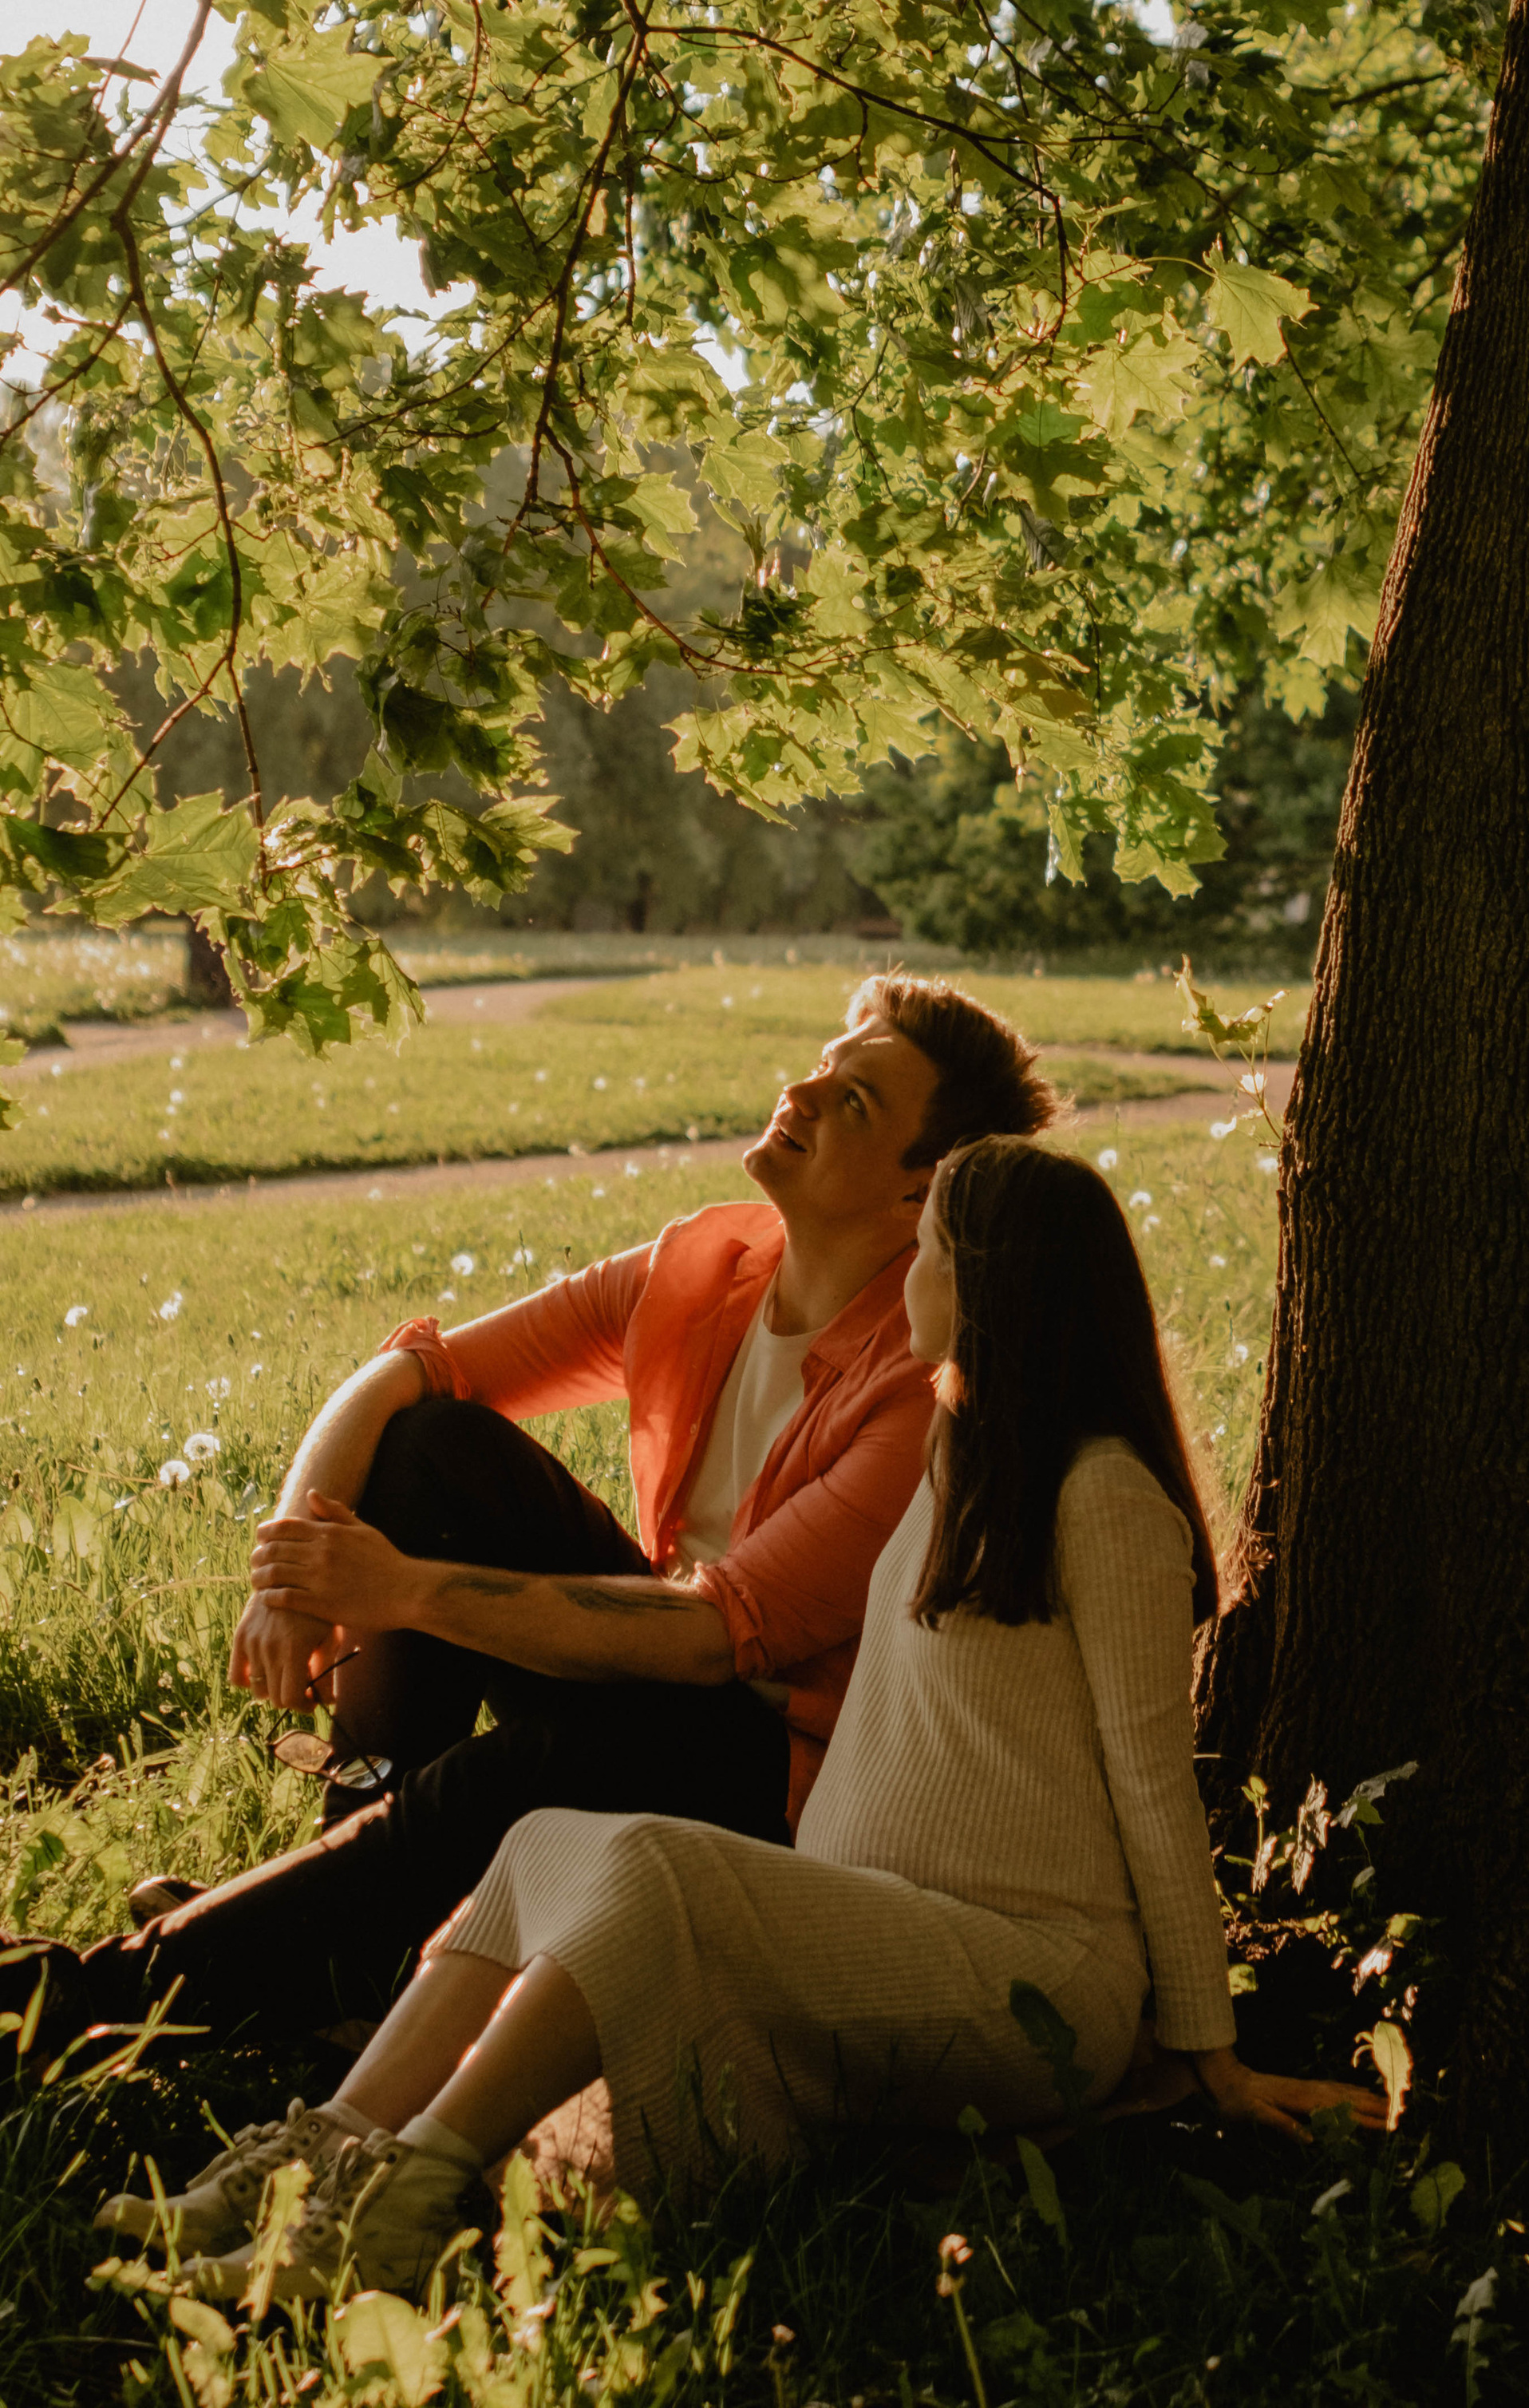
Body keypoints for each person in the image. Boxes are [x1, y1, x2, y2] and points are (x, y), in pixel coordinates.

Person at [107, 1137, 1386, 2303]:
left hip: (1037, 1972)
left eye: (930, 1250)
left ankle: (406, 2198)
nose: (908, 1275)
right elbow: (891, 1729)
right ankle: (313, 2161)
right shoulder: (955, 1461)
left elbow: (1159, 1791)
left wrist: (1205, 2051)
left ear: (993, 1283)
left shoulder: (1104, 1498)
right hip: (891, 1923)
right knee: (549, 1840)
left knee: (658, 1861)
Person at [17, 975, 1057, 2074]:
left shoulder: (916, 1387)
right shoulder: (707, 1269)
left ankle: (82, 2000)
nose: (802, 1091)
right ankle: (337, 1912)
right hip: (651, 1674)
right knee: (434, 1447)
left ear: (921, 1193)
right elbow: (407, 1375)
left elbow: (715, 1636)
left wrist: (407, 1592)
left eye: (853, 1102)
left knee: (511, 1773)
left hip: (775, 1775)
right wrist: (295, 1573)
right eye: (823, 1066)